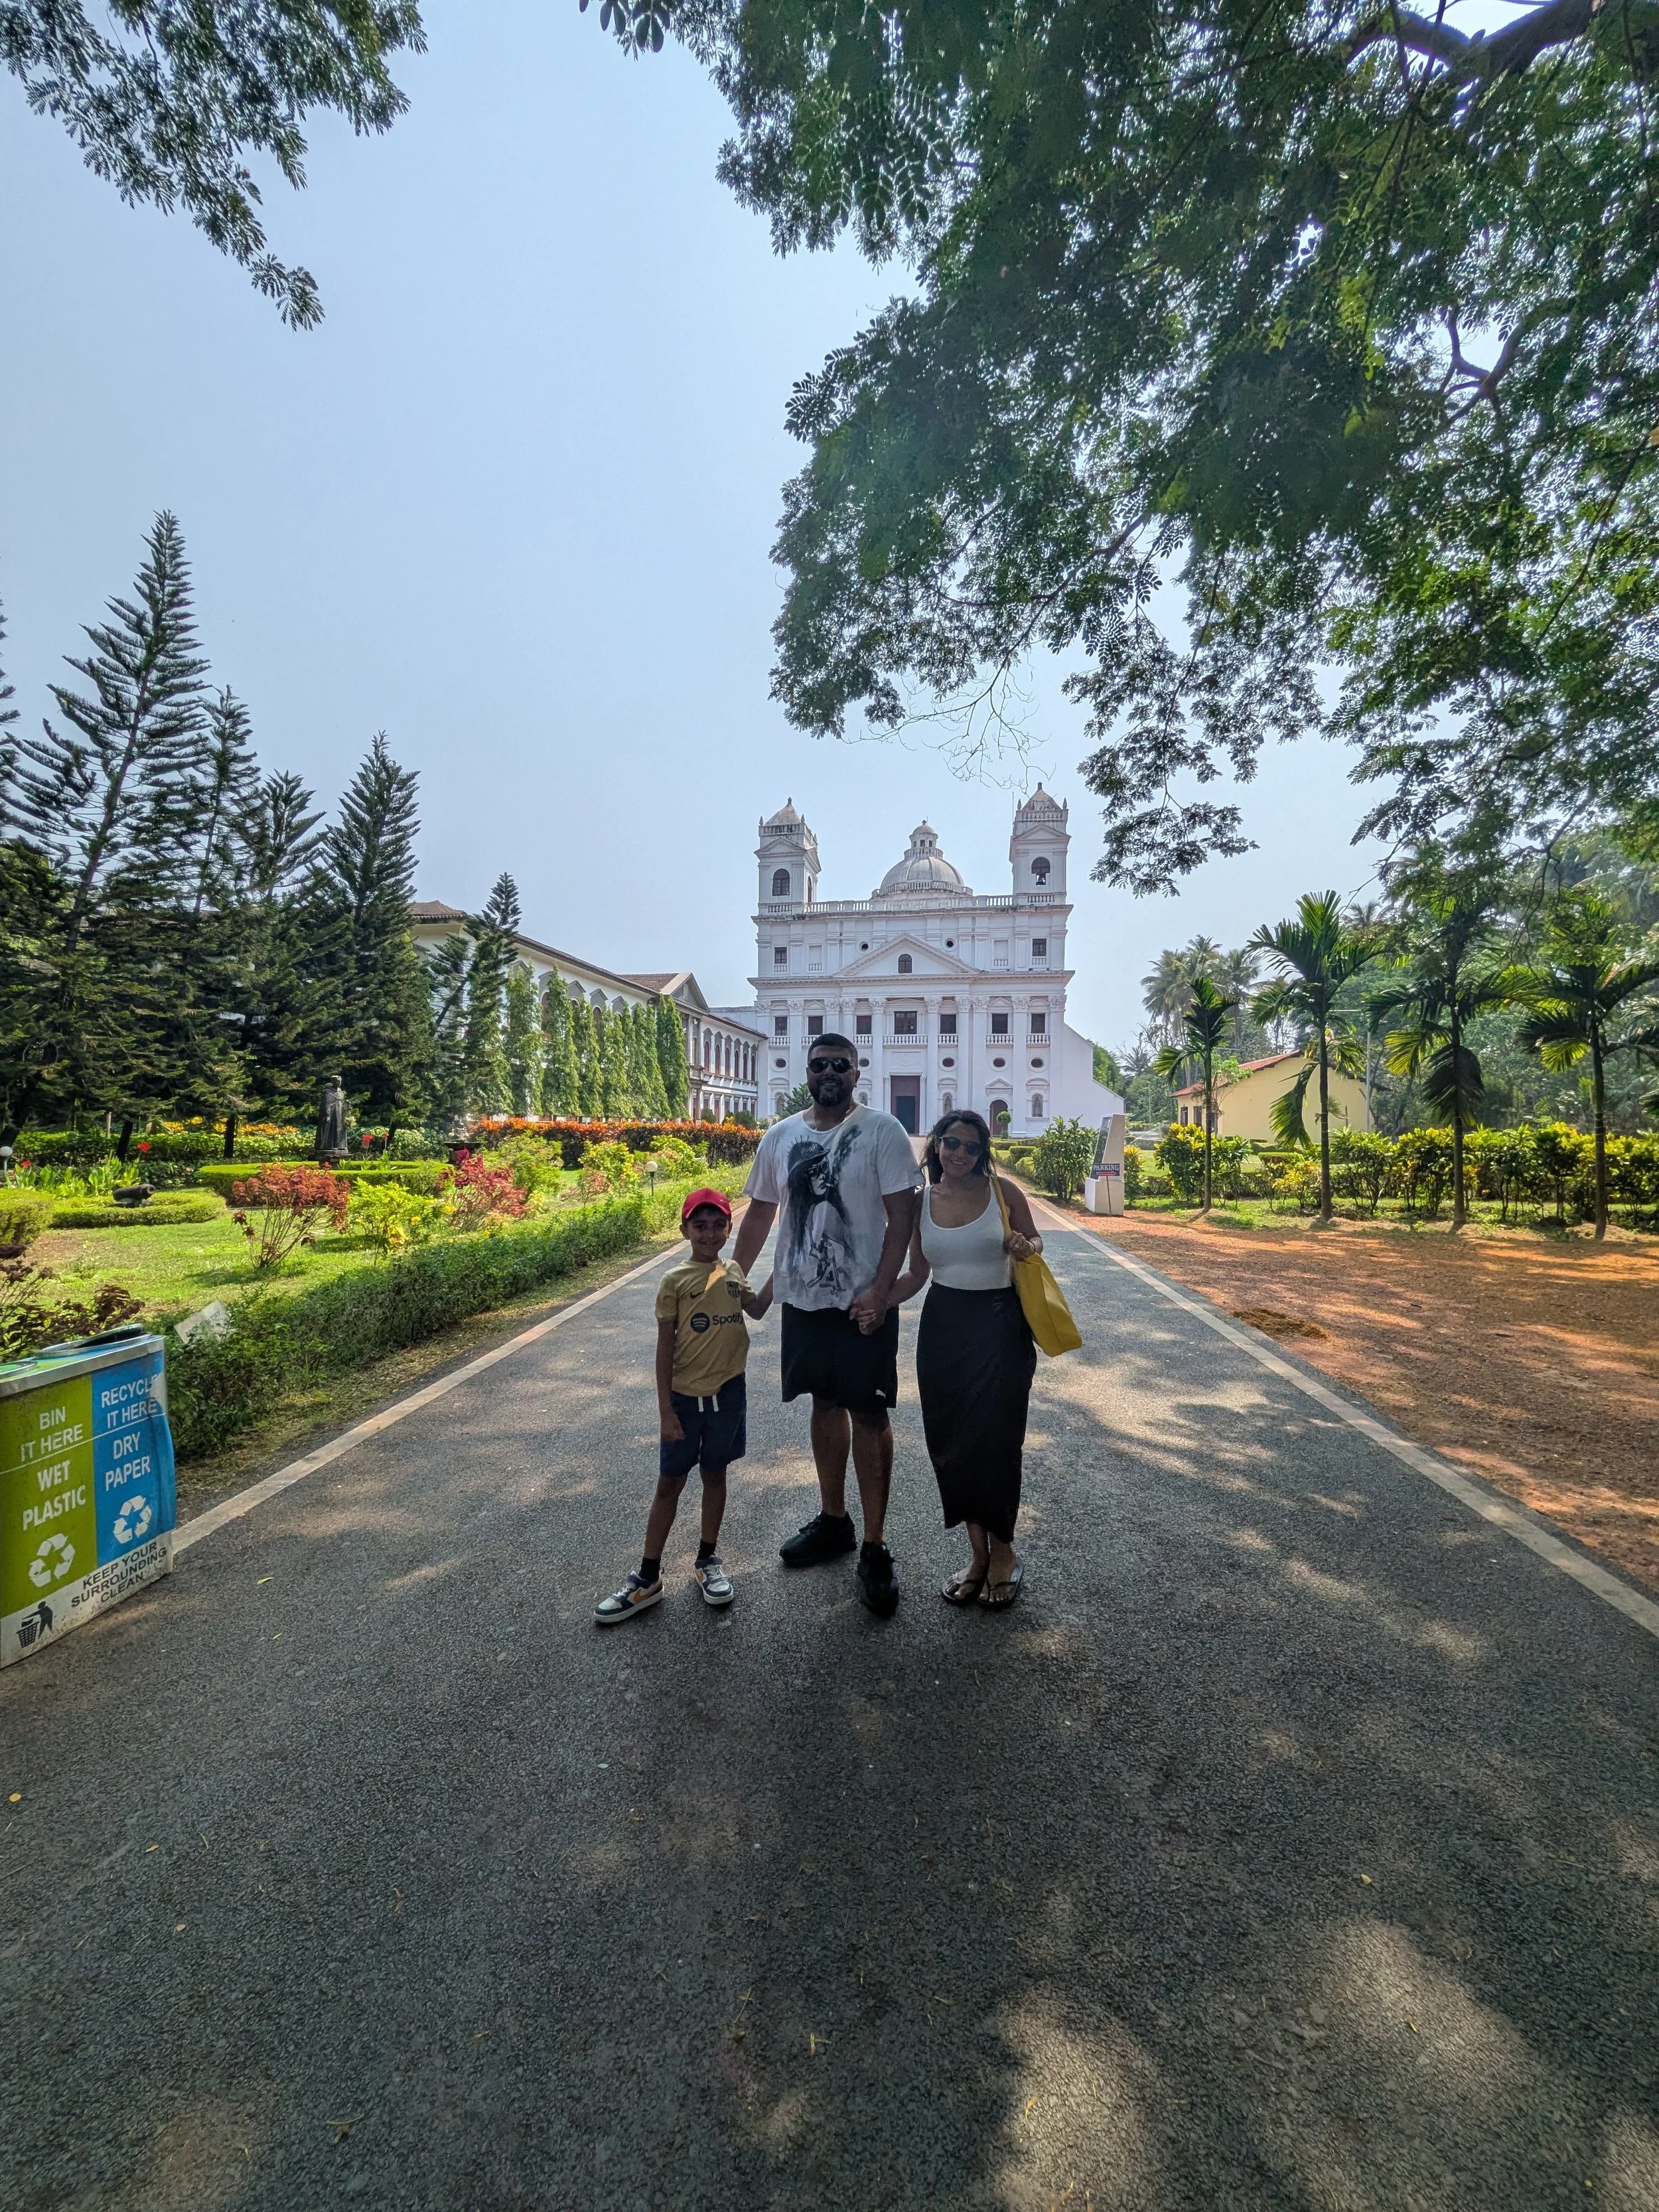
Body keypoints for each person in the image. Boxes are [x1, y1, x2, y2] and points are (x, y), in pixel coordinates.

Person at [732, 1037, 921, 1615]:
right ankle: (835, 1519)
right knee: (823, 1404)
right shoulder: (782, 1136)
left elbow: (903, 1216)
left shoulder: (883, 1130)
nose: (831, 1072)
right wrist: (737, 1277)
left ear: (858, 1072)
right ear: (807, 1072)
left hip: (862, 1302)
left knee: (868, 1412)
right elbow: (763, 1210)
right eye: (821, 1065)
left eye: (842, 1064)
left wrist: (882, 1292)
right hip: (806, 1301)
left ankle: (875, 1543)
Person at [886, 1110, 1041, 1608]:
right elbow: (916, 1274)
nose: (959, 1153)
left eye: (971, 1147)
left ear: (982, 1153)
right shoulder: (921, 1201)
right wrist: (876, 1300)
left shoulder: (1004, 1192)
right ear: (936, 1147)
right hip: (944, 1325)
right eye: (950, 1142)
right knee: (952, 1442)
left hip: (999, 1324)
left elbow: (1036, 1240)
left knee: (996, 1441)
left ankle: (1005, 1554)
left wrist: (1024, 1244)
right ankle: (978, 1555)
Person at [595, 1189, 772, 1623]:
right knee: (668, 1485)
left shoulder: (733, 1271)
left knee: (716, 1475)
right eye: (700, 1225)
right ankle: (648, 1576)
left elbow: (759, 1309)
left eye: (718, 1224)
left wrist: (785, 1267)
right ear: (685, 1230)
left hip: (729, 1396)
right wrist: (665, 1411)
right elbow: (663, 1350)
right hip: (684, 1400)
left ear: (729, 1228)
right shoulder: (674, 1280)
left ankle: (708, 1560)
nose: (709, 1233)